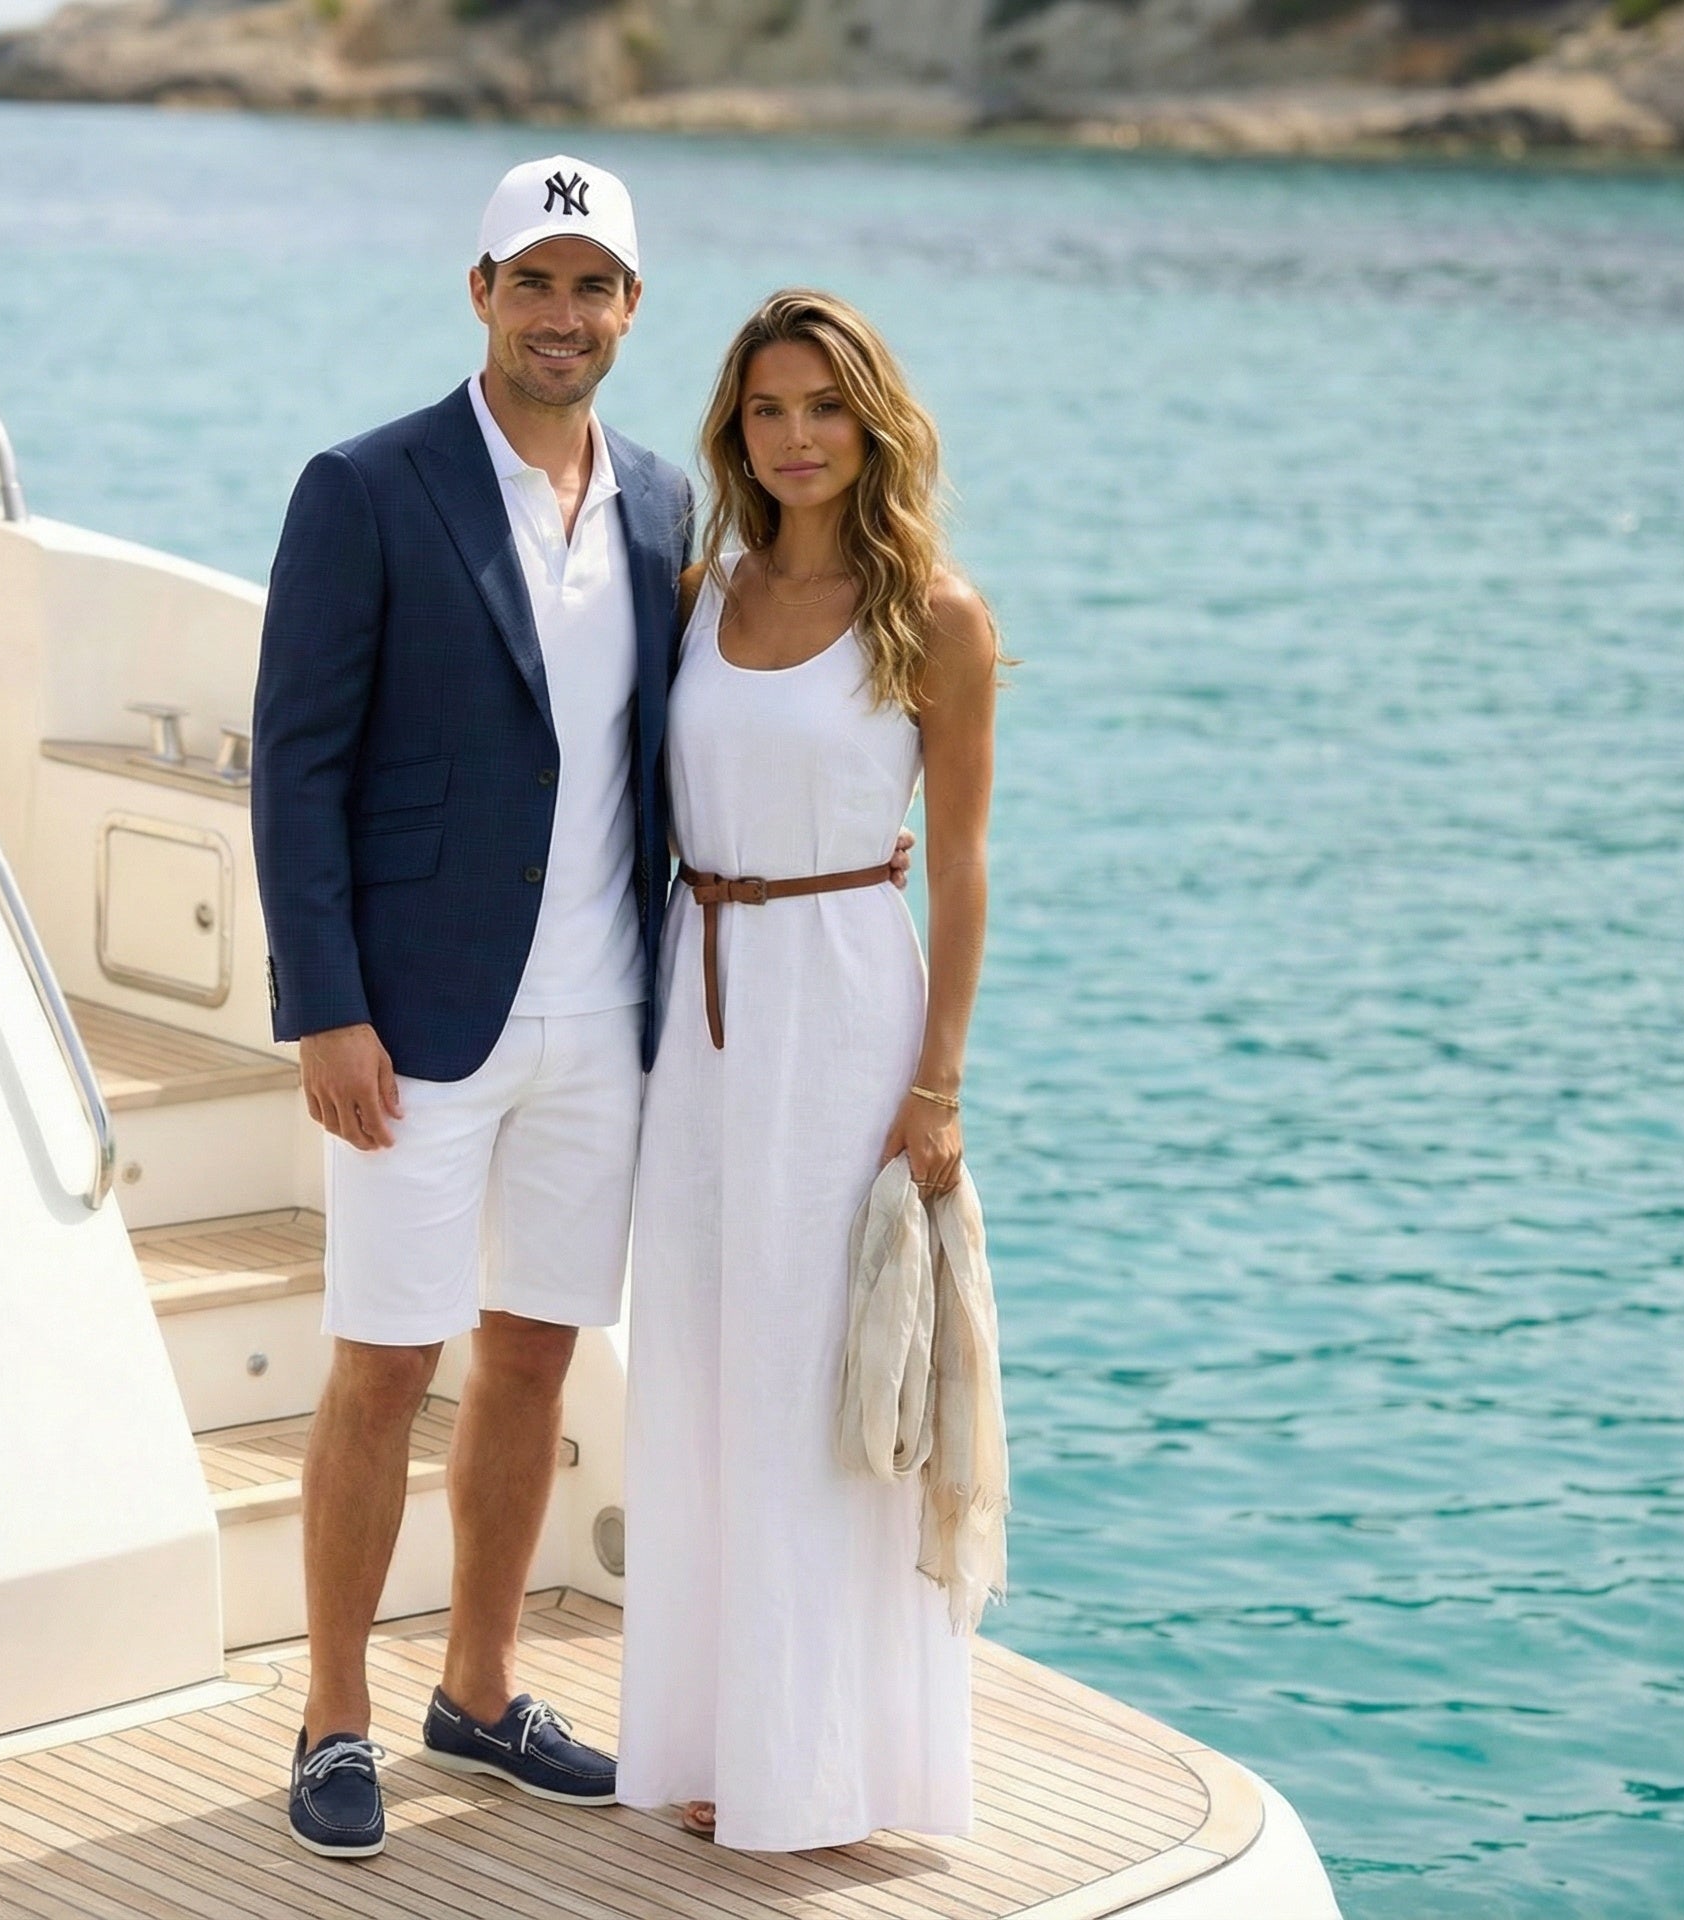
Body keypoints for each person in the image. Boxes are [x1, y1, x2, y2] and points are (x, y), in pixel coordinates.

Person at [248, 154, 690, 1859]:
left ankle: (482, 1692)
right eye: (533, 281)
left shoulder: (664, 506)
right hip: (416, 1023)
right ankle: (332, 1717)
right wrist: (325, 1006)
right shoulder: (366, 487)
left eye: (592, 287)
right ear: (481, 291)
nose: (561, 315)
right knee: (383, 1361)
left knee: (536, 1354)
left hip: (603, 1014)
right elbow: (298, 763)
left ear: (629, 308)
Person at [616, 289, 1001, 1851]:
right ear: (736, 430)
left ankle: (827, 1769)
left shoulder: (937, 617)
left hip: (846, 1017)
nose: (796, 438)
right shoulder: (693, 598)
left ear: (872, 422)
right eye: (768, 410)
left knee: (821, 1383)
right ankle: (728, 1739)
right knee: (706, 1369)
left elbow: (960, 868)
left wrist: (939, 1086)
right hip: (698, 1020)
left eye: (825, 408)